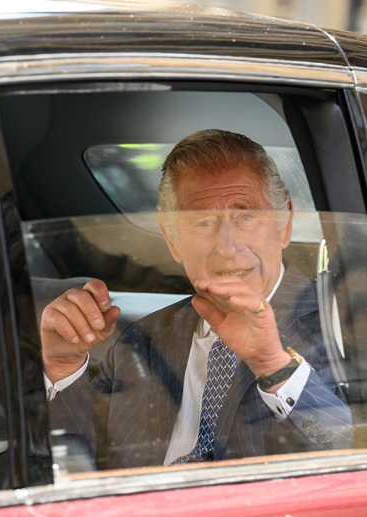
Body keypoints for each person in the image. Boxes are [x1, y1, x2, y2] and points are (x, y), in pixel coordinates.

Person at [41, 129, 351, 470]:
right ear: (173, 241)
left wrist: (273, 364)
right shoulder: (141, 341)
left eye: (246, 216)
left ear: (284, 224)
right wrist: (63, 366)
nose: (227, 246)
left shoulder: (350, 321)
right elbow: (71, 465)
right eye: (202, 222)